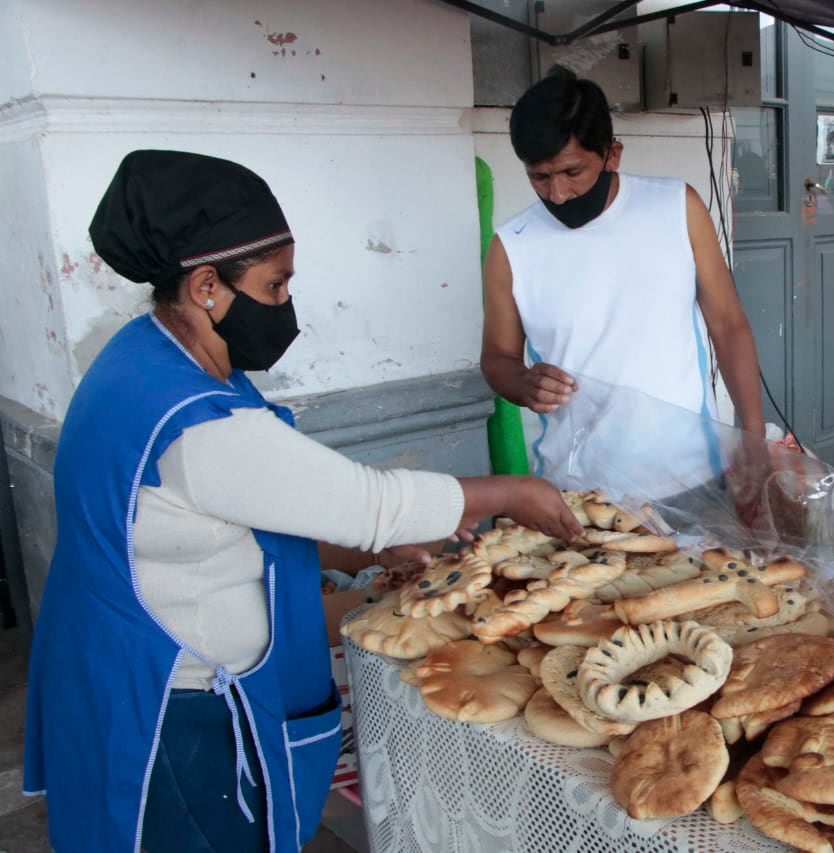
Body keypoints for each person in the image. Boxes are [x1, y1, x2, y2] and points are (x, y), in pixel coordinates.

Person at [22, 149, 582, 853]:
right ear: (205, 286)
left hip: (112, 665)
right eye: (275, 285)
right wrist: (512, 492)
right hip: (174, 707)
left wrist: (372, 547)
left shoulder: (144, 356)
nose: (287, 306)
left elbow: (238, 511)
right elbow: (365, 501)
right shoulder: (194, 422)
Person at [481, 70, 766, 493]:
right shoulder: (512, 247)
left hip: (690, 478)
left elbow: (728, 325)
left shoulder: (675, 208)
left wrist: (753, 436)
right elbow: (497, 359)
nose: (558, 194)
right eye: (539, 177)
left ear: (612, 154)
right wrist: (523, 383)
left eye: (572, 172)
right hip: (578, 491)